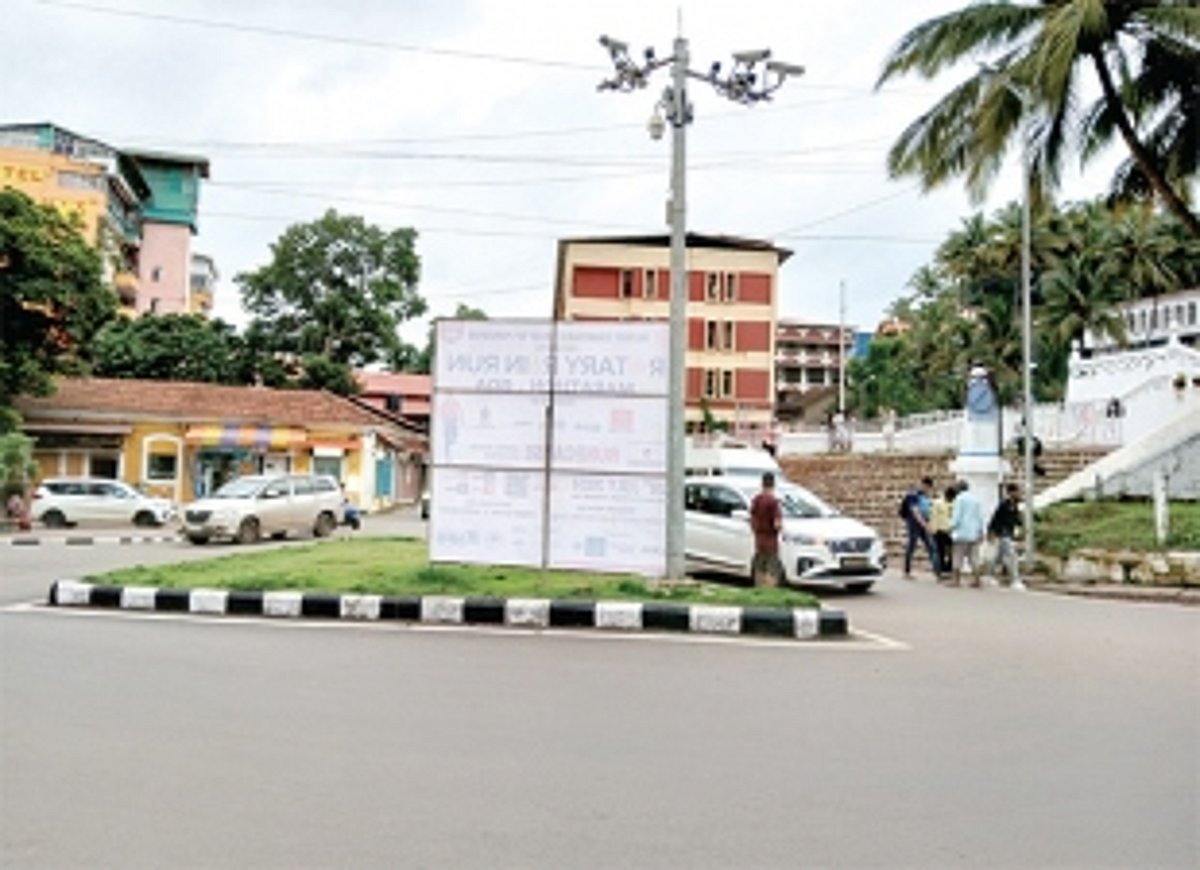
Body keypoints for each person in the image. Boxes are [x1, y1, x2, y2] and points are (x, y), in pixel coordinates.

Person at [749, 471, 784, 587]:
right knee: (771, 570)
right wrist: (780, 529)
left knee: (759, 568)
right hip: (771, 542)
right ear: (773, 484)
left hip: (759, 540)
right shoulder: (773, 502)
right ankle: (769, 591)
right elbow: (777, 524)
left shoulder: (756, 500)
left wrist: (756, 532)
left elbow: (752, 520)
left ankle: (759, 590)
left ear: (762, 484)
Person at [901, 476, 940, 579]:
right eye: (928, 487)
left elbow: (928, 511)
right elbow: (915, 512)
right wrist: (925, 525)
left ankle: (937, 571)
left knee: (931, 546)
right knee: (912, 547)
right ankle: (906, 571)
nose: (929, 490)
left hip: (924, 523)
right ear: (924, 485)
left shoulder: (926, 496)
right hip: (914, 524)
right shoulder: (913, 495)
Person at [948, 480, 985, 588]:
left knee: (957, 556)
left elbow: (957, 516)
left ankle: (956, 581)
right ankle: (977, 580)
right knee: (974, 558)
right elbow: (979, 517)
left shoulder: (959, 499)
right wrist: (981, 530)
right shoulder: (976, 499)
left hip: (962, 533)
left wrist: (951, 527)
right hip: (974, 533)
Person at [988, 483, 1022, 586]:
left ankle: (990, 575)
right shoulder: (1004, 504)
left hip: (1009, 533)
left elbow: (1016, 519)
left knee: (998, 556)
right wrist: (991, 532)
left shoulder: (1015, 504)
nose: (1018, 493)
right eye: (1017, 491)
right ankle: (1015, 580)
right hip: (1002, 532)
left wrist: (1021, 526)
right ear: (1011, 492)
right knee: (1012, 555)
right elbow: (995, 518)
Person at [929, 486, 954, 575]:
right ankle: (940, 570)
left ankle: (948, 568)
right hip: (939, 530)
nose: (950, 499)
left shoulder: (954, 503)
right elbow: (933, 516)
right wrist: (933, 529)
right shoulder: (937, 503)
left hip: (951, 531)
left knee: (952, 551)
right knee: (940, 551)